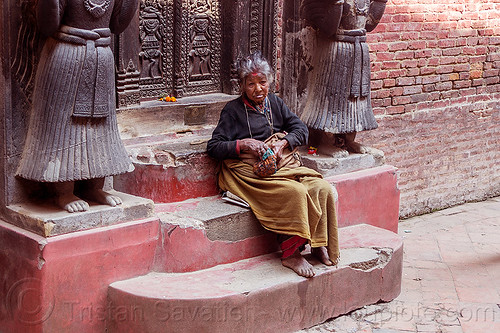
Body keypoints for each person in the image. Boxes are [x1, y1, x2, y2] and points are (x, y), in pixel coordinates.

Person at [207, 53, 339, 278]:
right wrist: (244, 144)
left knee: (322, 188)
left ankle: (319, 243)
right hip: (249, 171)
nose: (258, 89)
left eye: (263, 82)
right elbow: (214, 147)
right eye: (251, 84)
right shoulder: (232, 110)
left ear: (269, 82)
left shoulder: (275, 103)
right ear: (242, 86)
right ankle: (291, 254)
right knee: (295, 192)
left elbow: (301, 130)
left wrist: (283, 144)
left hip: (282, 164)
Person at [16, 0, 138, 213]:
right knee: (62, 128)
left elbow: (118, 25)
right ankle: (62, 191)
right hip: (66, 56)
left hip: (101, 55)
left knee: (100, 127)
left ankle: (94, 187)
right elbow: (47, 25)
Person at [300, 0, 387, 154]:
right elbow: (329, 29)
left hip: (359, 49)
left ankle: (349, 140)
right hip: (336, 49)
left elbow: (369, 25)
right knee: (332, 101)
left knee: (356, 100)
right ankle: (323, 142)